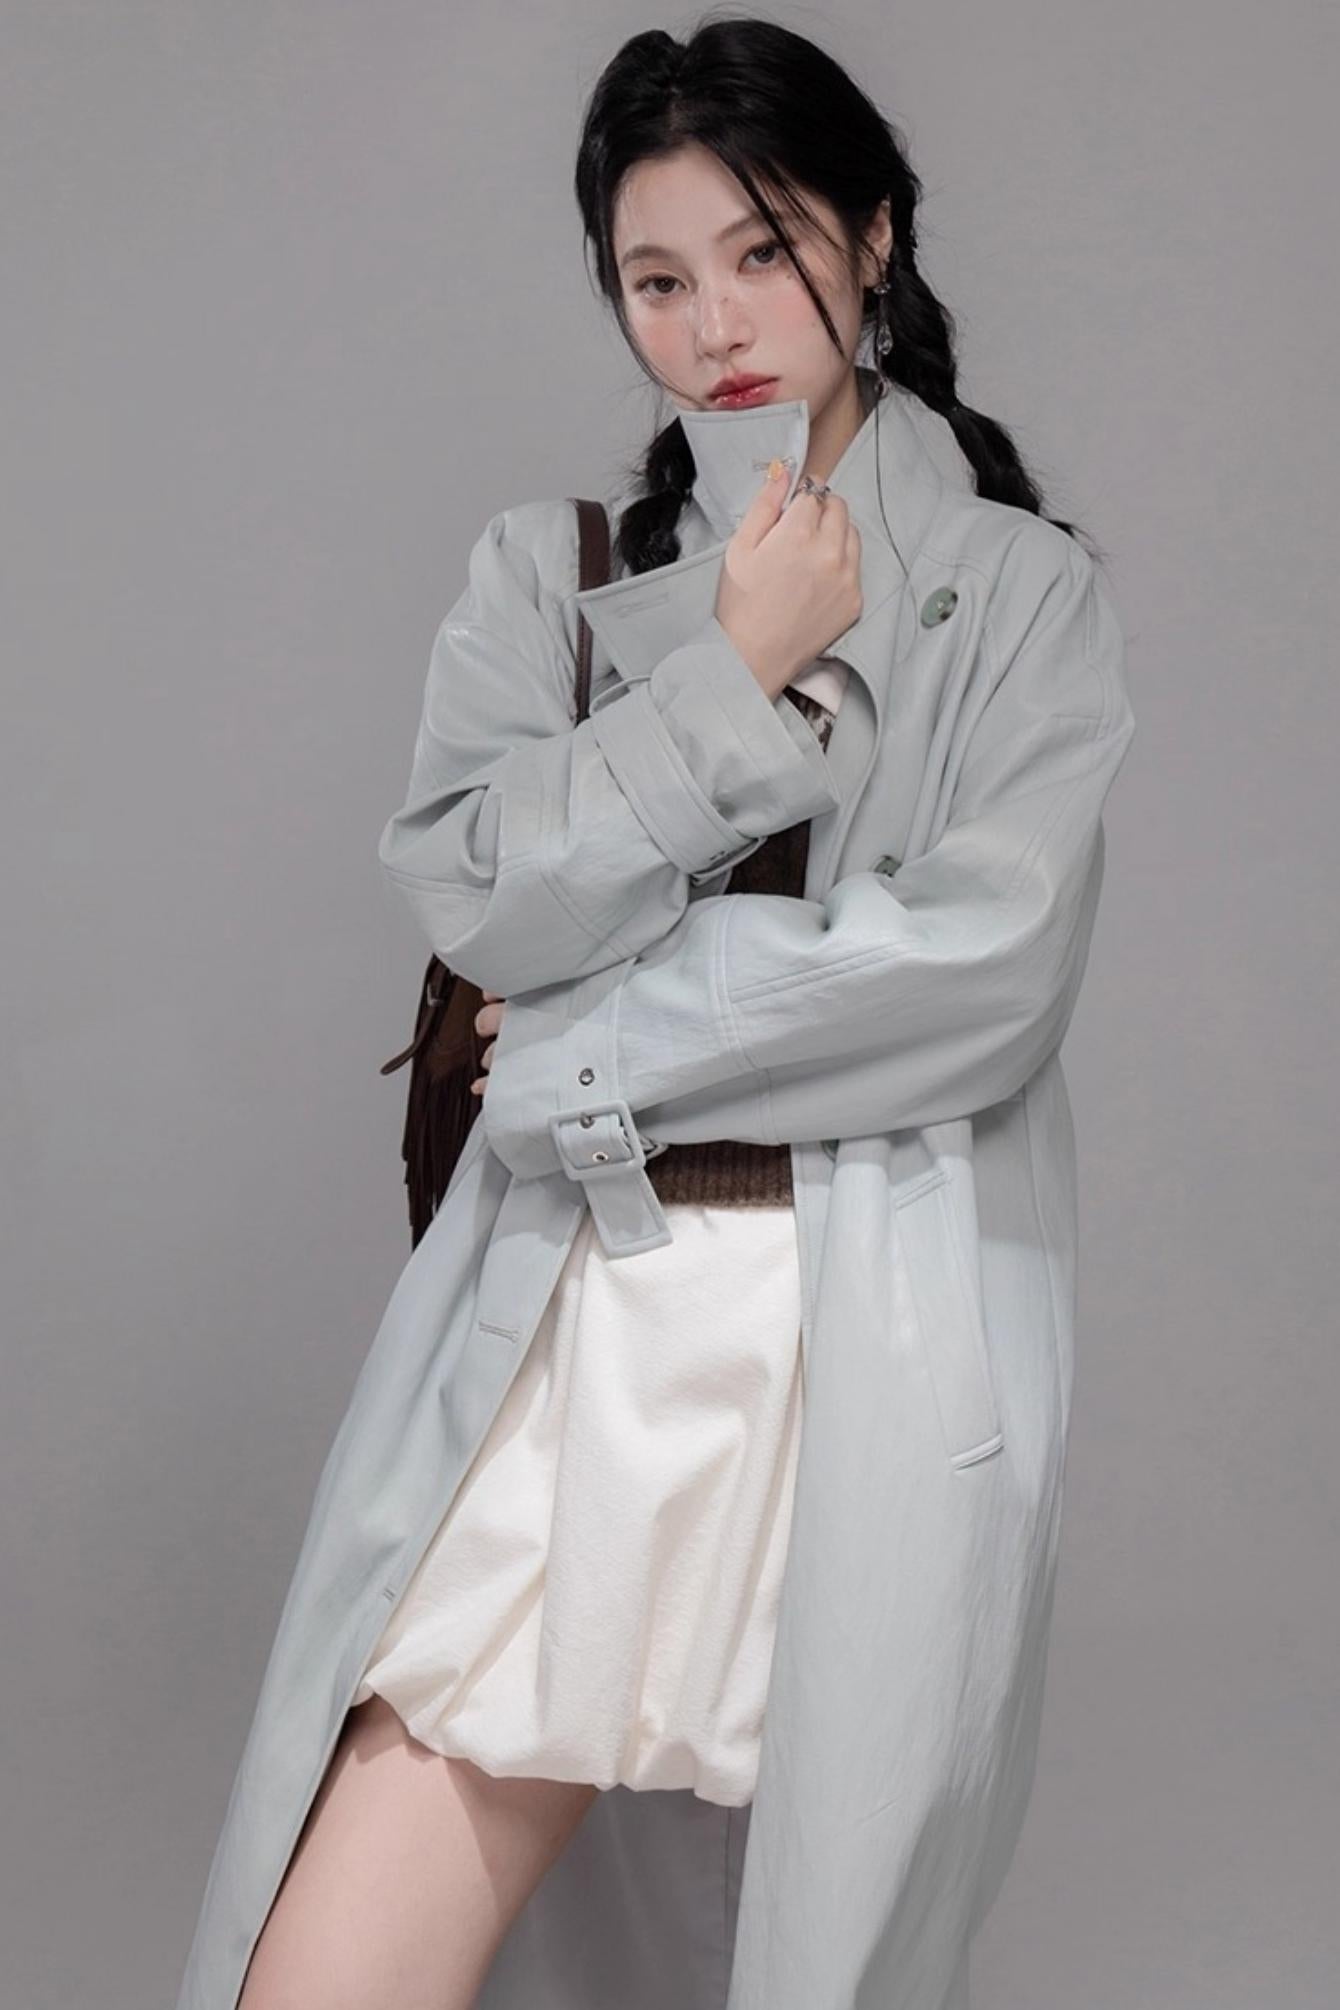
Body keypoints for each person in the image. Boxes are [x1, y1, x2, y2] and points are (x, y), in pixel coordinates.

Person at [186, 19, 1136, 2010]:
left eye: (762, 250)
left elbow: (979, 968)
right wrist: (731, 676)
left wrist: (573, 1049)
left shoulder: (1022, 597)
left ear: (872, 239)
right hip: (570, 1330)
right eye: (654, 278)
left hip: (859, 1352)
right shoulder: (547, 579)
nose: (715, 325)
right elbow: (480, 893)